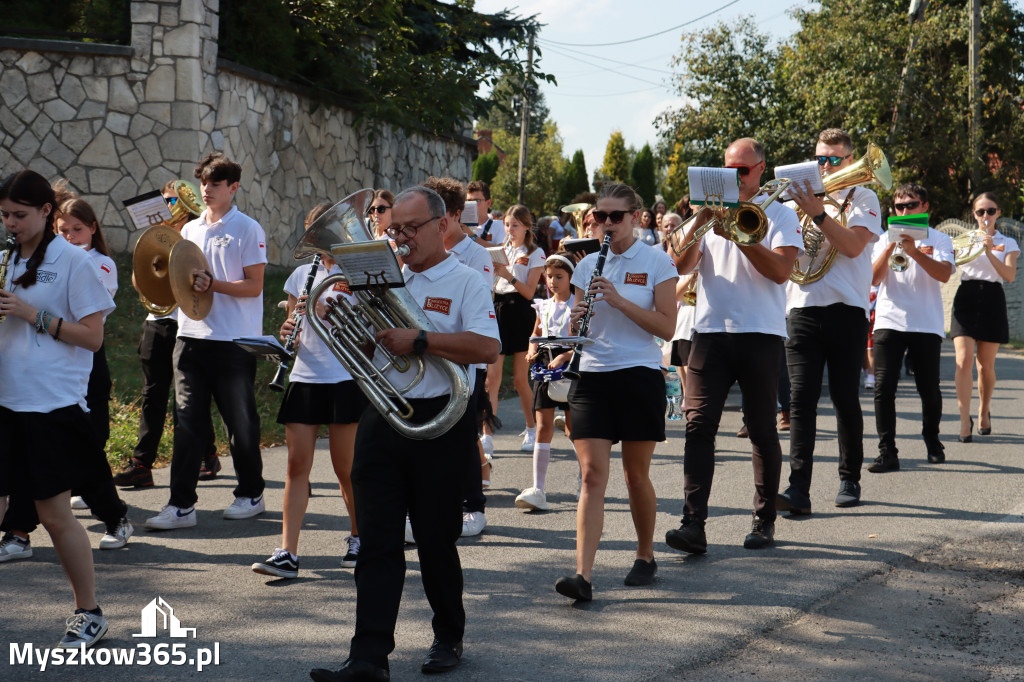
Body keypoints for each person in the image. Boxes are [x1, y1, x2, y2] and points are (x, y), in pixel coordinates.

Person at [308, 186, 499, 681]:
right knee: (376, 541)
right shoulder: (377, 275)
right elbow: (369, 352)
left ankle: (448, 634)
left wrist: (421, 339)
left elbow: (486, 347)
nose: (401, 237)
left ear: (441, 226)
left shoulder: (467, 280)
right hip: (384, 416)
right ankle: (368, 657)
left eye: (411, 228)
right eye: (394, 229)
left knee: (436, 540)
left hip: (443, 418)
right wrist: (346, 320)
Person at [664, 138, 802, 552]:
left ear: (761, 168)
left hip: (760, 332)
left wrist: (741, 236)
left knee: (761, 428)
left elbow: (780, 271)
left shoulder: (782, 214)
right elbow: (679, 264)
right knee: (698, 425)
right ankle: (693, 525)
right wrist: (703, 216)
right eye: (728, 170)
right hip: (709, 331)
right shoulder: (710, 215)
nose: (735, 178)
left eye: (742, 170)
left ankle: (764, 521)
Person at [0, 170, 115, 646]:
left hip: (51, 407)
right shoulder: (4, 259)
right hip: (6, 401)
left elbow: (92, 337)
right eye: (4, 215)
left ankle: (88, 611)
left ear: (47, 211)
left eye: (20, 215)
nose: (11, 223)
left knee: (53, 515)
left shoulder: (74, 261)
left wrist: (32, 315)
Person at [553, 183, 677, 602]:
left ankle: (645, 554)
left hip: (639, 372)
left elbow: (666, 328)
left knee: (635, 474)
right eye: (598, 217)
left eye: (614, 217)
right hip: (592, 374)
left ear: (636, 217)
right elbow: (576, 329)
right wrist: (576, 319)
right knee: (591, 475)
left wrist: (620, 301)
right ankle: (582, 575)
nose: (604, 224)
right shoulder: (586, 265)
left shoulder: (658, 262)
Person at [145, 152, 268, 530]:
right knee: (187, 423)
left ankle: (251, 493)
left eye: (215, 184)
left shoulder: (249, 229)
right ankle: (181, 505)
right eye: (204, 183)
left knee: (240, 423)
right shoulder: (190, 230)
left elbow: (254, 286)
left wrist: (214, 284)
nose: (207, 189)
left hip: (234, 341)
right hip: (190, 338)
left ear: (233, 187)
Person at [251, 203, 368, 579]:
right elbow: (292, 322)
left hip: (345, 376)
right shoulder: (302, 273)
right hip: (305, 376)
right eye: (310, 231)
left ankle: (358, 536)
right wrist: (289, 329)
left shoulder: (359, 271)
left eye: (320, 230)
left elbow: (370, 330)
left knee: (346, 469)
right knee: (296, 465)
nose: (313, 239)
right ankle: (287, 551)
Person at [777, 128, 882, 513]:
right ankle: (798, 490)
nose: (825, 165)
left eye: (834, 159)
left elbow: (853, 246)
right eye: (820, 158)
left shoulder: (862, 196)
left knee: (844, 399)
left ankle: (849, 477)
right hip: (802, 309)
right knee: (800, 403)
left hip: (847, 311)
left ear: (850, 161)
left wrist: (818, 212)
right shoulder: (792, 204)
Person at [114, 180, 219, 489]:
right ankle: (142, 464)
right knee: (152, 394)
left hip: (187, 322)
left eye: (172, 201)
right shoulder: (157, 236)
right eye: (163, 201)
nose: (167, 207)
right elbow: (140, 281)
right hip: (157, 320)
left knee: (186, 396)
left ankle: (206, 453)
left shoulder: (196, 234)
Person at [423, 176, 493, 538]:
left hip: (466, 363)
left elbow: (476, 316)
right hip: (426, 362)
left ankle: (473, 505)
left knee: (464, 435)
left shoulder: (476, 255)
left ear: (452, 215)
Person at [867, 183, 955, 471]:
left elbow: (943, 275)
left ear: (925, 207)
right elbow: (874, 279)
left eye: (911, 205)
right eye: (899, 207)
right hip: (889, 320)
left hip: (926, 323)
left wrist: (915, 251)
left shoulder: (940, 239)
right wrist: (893, 244)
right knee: (883, 388)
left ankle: (932, 439)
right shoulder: (883, 240)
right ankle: (887, 450)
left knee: (929, 388)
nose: (904, 211)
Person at [950, 192, 1019, 441]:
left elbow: (1009, 275)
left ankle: (983, 409)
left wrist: (989, 251)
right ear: (974, 214)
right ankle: (963, 422)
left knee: (985, 367)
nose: (985, 216)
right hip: (966, 296)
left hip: (992, 297)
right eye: (980, 212)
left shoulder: (1008, 243)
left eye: (991, 211)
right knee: (963, 359)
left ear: (998, 212)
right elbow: (947, 264)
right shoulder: (963, 239)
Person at [516, 254, 576, 512]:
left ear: (571, 279)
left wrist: (564, 355)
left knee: (575, 429)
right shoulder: (543, 305)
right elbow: (537, 332)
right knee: (543, 426)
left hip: (571, 369)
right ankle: (538, 488)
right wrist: (531, 349)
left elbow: (586, 341)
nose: (552, 281)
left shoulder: (578, 305)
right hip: (544, 368)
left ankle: (587, 478)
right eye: (549, 276)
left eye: (559, 277)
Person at [485, 205, 545, 453]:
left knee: (521, 380)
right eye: (507, 225)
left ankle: (531, 430)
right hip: (498, 308)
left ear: (527, 227)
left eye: (515, 225)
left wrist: (508, 275)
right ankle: (487, 435)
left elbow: (530, 291)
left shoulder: (536, 253)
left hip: (521, 311)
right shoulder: (502, 248)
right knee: (492, 379)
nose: (510, 230)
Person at [466, 180, 505, 246]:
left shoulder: (499, 226)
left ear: (488, 203)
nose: (472, 205)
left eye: (477, 201)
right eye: (469, 201)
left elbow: (501, 254)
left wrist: (472, 236)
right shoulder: (461, 228)